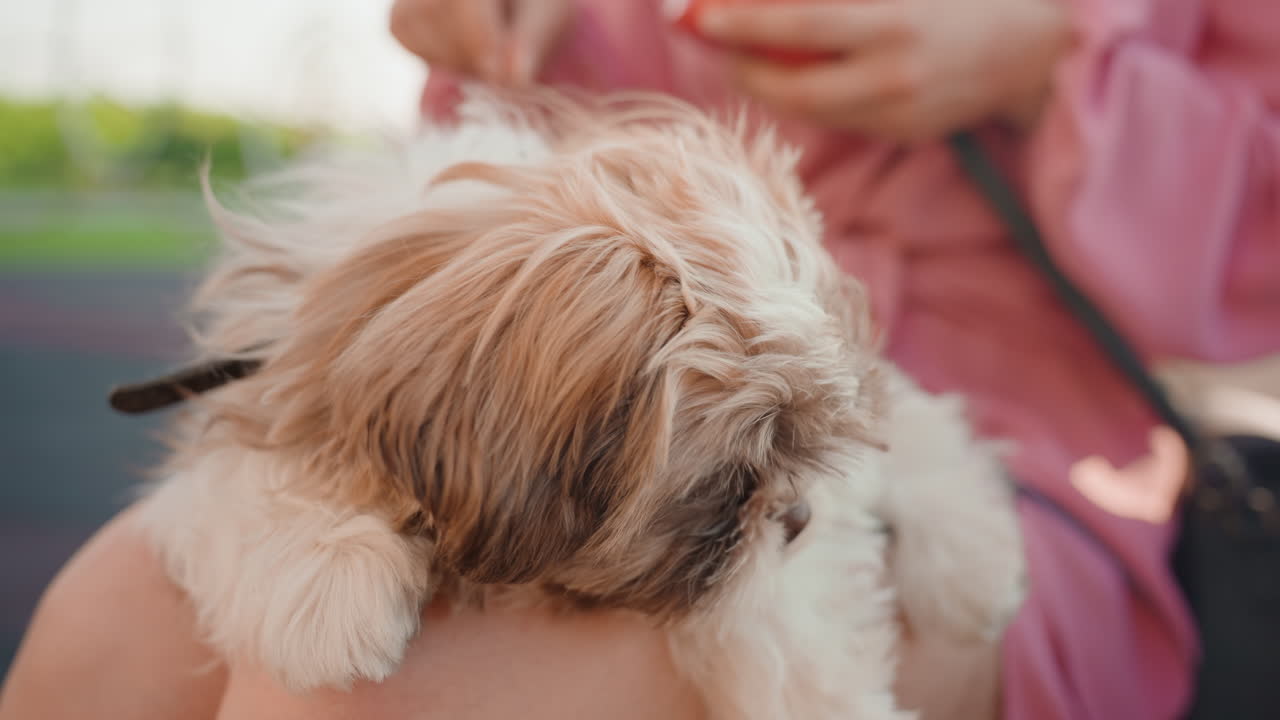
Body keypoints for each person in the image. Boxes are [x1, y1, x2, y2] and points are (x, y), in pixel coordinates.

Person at [3, 1, 1277, 717]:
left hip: (1007, 455)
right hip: (562, 395)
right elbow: (493, 274)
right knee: (106, 616)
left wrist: (1044, 54)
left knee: (387, 693)